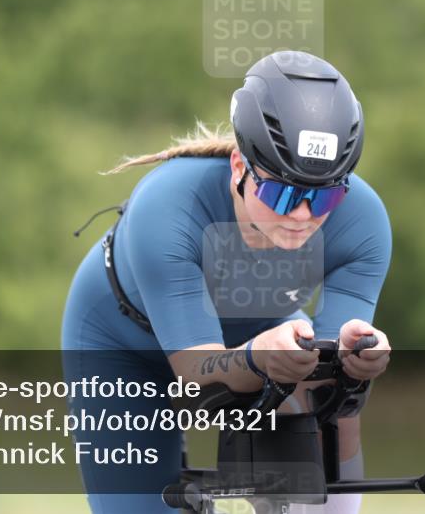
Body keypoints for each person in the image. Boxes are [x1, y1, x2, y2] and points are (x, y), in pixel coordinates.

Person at [61, 50, 393, 513]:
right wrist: (260, 357)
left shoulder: (363, 220)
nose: (301, 216)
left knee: (330, 416)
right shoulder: (168, 204)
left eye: (324, 198)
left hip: (259, 336)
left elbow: (332, 393)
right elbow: (196, 378)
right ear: (239, 167)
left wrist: (353, 359)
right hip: (123, 344)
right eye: (282, 192)